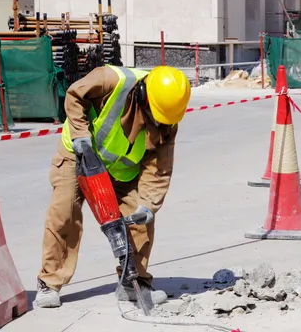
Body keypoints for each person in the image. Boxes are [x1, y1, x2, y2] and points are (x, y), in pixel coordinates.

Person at [34, 64, 191, 309]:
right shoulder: (111, 80)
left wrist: (148, 206)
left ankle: (133, 282)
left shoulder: (167, 119)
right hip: (79, 154)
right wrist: (79, 135)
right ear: (142, 95)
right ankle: (49, 283)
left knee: (140, 220)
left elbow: (159, 168)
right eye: (152, 114)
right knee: (64, 213)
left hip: (121, 170)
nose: (154, 122)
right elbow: (75, 95)